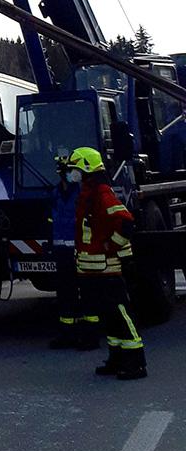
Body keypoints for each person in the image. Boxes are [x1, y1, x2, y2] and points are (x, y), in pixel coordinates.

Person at [67, 146, 147, 380]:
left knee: (120, 315)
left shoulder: (102, 193)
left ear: (87, 169)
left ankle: (136, 363)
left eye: (75, 169)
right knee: (109, 318)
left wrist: (109, 247)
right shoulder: (87, 193)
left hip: (107, 270)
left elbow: (125, 224)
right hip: (92, 271)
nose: (73, 174)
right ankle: (117, 359)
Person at [47, 158, 96, 349]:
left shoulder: (84, 193)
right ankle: (67, 334)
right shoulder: (55, 193)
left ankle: (89, 336)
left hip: (81, 249)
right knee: (65, 294)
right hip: (62, 252)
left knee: (87, 293)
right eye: (67, 171)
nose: (71, 175)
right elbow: (51, 221)